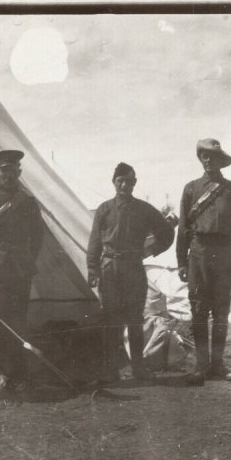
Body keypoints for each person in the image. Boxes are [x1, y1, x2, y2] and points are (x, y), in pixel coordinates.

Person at [87, 162, 174, 382]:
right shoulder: (104, 209)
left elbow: (166, 232)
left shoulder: (144, 210)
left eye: (129, 181)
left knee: (135, 319)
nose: (124, 185)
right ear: (114, 183)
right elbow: (95, 241)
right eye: (120, 181)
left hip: (134, 268)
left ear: (135, 183)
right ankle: (110, 369)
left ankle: (138, 368)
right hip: (109, 269)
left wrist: (149, 251)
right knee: (110, 320)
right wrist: (92, 268)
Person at [176, 139, 231, 386]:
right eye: (204, 156)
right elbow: (183, 229)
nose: (208, 160)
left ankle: (217, 365)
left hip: (224, 253)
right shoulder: (191, 189)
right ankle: (200, 367)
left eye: (213, 156)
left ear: (222, 161)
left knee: (221, 311)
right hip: (197, 253)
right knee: (198, 310)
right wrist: (181, 262)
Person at [0, 150, 44, 392]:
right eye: (3, 170)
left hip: (21, 270)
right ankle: (4, 372)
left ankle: (21, 372)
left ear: (19, 172)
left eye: (12, 170)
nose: (8, 175)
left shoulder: (28, 202)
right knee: (2, 321)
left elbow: (37, 236)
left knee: (19, 320)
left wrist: (27, 258)